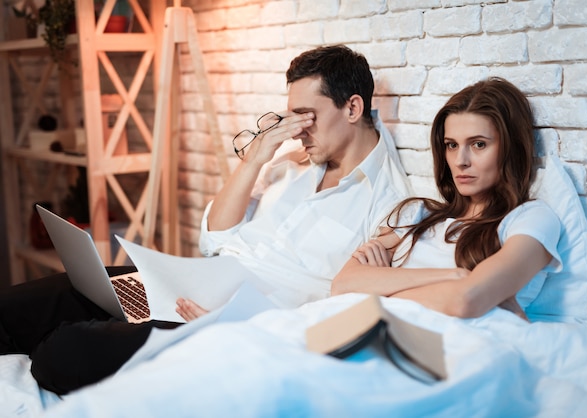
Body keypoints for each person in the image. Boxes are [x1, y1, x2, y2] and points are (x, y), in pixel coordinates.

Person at [0, 44, 412, 394]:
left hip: (226, 324)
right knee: (19, 307)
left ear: (353, 107)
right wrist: (255, 160)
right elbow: (213, 239)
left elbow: (349, 303)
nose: (296, 129)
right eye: (291, 115)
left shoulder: (391, 204)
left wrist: (239, 323)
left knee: (63, 353)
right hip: (184, 286)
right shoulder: (291, 167)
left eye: (307, 115)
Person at [332, 77, 561, 320]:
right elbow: (343, 285)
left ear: (510, 149)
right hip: (385, 330)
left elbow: (466, 300)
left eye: (479, 144)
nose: (461, 160)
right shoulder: (418, 215)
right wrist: (454, 276)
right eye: (451, 145)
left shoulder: (531, 219)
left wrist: (381, 290)